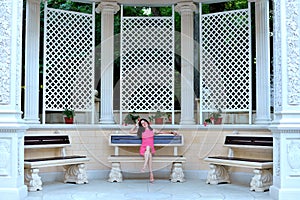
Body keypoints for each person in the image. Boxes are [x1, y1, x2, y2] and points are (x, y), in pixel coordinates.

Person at [129, 118, 177, 183]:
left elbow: (163, 132)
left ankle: (144, 166)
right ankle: (151, 174)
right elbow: (131, 131)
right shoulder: (141, 131)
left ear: (147, 122)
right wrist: (136, 125)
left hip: (150, 148)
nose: (144, 124)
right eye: (142, 123)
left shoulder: (153, 131)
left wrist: (172, 132)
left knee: (148, 148)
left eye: (144, 122)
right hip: (144, 148)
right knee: (149, 154)